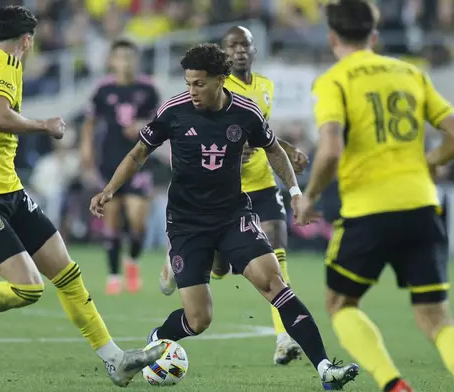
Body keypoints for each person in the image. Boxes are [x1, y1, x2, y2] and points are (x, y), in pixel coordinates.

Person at [90, 43, 359, 390]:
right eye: (188, 83)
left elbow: (274, 150)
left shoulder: (245, 112)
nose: (192, 91)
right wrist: (110, 189)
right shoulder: (174, 110)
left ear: (221, 80)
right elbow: (139, 153)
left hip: (234, 216)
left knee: (274, 283)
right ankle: (159, 336)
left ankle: (325, 368)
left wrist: (294, 193)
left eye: (199, 84)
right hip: (187, 223)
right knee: (199, 319)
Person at [0, 6, 165, 387]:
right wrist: (45, 125)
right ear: (27, 40)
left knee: (68, 274)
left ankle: (116, 360)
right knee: (29, 287)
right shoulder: (6, 65)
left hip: (9, 190)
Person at [296, 1, 454, 391]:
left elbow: (331, 149)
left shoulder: (334, 80)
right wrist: (430, 161)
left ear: (332, 37)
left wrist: (311, 196)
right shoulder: (410, 72)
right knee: (435, 317)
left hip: (368, 212)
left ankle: (392, 383)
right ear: (375, 35)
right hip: (422, 206)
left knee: (339, 304)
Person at [158, 25, 309, 366]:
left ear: (254, 50)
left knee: (276, 245)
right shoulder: (216, 85)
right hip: (223, 191)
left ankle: (284, 336)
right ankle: (179, 259)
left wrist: (288, 149)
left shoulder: (266, 87)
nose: (240, 51)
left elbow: (262, 133)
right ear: (224, 54)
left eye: (246, 45)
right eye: (232, 46)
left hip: (261, 183)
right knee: (222, 268)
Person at [80, 38, 160, 295]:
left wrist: (142, 126)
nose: (124, 61)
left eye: (129, 56)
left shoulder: (148, 88)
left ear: (136, 60)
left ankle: (132, 261)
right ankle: (114, 275)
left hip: (139, 161)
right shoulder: (103, 89)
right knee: (111, 220)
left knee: (138, 222)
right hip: (110, 160)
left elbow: (161, 121)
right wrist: (86, 150)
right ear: (111, 61)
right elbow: (90, 122)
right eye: (120, 56)